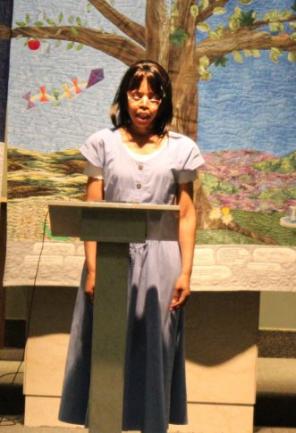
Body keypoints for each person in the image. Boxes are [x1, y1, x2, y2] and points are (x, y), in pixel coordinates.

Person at [59, 60, 204, 433]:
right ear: (125, 95)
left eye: (153, 97)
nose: (143, 104)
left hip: (162, 260)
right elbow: (92, 209)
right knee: (107, 347)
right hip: (110, 256)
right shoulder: (102, 144)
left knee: (156, 346)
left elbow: (186, 214)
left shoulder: (182, 149)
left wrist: (186, 271)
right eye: (137, 94)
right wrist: (94, 268)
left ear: (163, 102)